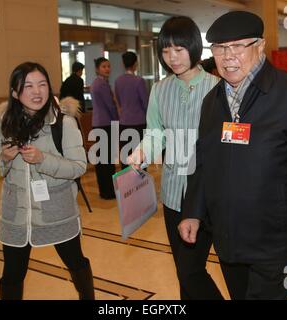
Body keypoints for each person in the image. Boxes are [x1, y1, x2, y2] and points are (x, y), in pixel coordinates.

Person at [179, 11, 287, 300]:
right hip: (227, 235)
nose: (228, 56)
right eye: (220, 48)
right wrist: (193, 211)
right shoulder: (211, 103)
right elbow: (203, 163)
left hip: (276, 238)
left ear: (260, 46)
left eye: (238, 46)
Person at [128, 16, 222, 300]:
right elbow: (156, 132)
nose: (172, 57)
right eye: (166, 51)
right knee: (183, 269)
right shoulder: (159, 89)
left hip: (208, 193)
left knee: (190, 269)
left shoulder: (218, 88)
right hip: (172, 193)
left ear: (193, 47)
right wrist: (143, 151)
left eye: (179, 49)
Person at [0, 62, 94, 300]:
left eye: (42, 84)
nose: (37, 92)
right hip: (16, 215)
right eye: (28, 86)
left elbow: (79, 166)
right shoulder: (4, 123)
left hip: (56, 211)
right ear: (15, 92)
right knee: (12, 275)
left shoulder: (63, 123)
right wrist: (5, 158)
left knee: (76, 263)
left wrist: (43, 159)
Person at [90, 57, 119, 200]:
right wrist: (117, 120)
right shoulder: (101, 84)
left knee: (103, 160)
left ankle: (105, 190)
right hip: (106, 124)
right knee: (107, 160)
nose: (107, 69)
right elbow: (110, 106)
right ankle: (108, 191)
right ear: (97, 69)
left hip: (99, 123)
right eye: (103, 66)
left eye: (108, 66)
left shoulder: (98, 83)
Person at [115, 51, 149, 169]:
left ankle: (126, 185)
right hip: (138, 123)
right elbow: (145, 103)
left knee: (126, 157)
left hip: (124, 123)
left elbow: (118, 101)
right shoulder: (139, 81)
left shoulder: (118, 81)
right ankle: (141, 186)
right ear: (135, 64)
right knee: (140, 157)